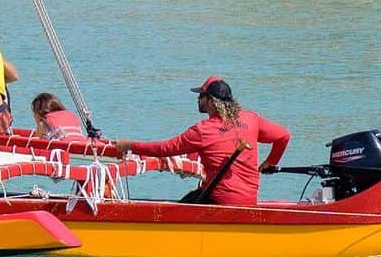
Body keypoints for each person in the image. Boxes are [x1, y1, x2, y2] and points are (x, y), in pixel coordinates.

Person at [113, 76, 291, 208]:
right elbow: (283, 136)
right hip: (249, 201)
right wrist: (271, 162)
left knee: (176, 213)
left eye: (201, 96)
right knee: (191, 198)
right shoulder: (251, 119)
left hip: (220, 201)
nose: (198, 100)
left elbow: (164, 149)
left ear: (212, 102)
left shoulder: (203, 130)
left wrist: (130, 146)